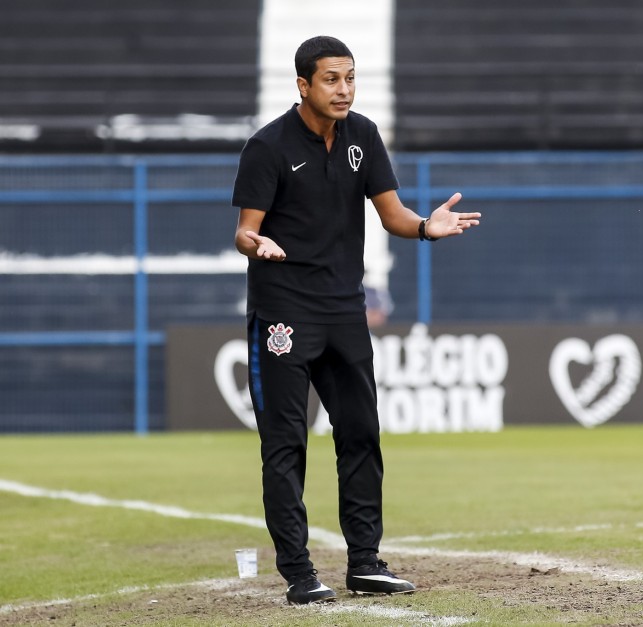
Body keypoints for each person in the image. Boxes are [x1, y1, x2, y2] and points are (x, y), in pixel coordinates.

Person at [231, 35, 481, 604]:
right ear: (303, 85)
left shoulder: (363, 136)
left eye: (349, 78)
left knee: (361, 435)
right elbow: (245, 230)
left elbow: (391, 213)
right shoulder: (266, 147)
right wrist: (257, 244)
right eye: (330, 79)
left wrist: (425, 226)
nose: (343, 89)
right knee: (286, 444)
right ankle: (299, 573)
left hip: (345, 309)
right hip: (283, 313)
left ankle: (365, 562)